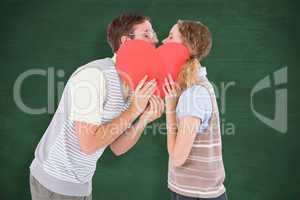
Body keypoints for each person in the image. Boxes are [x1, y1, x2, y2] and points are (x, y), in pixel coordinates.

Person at [29, 13, 164, 200]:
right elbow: (89, 144)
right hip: (54, 182)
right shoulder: (93, 76)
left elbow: (117, 147)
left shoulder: (135, 86)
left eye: (154, 34)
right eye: (147, 34)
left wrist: (143, 118)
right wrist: (133, 109)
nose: (156, 40)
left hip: (82, 185)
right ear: (126, 42)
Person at [163, 20, 227, 200]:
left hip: (196, 196)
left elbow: (177, 159)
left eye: (171, 37)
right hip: (190, 192)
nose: (163, 41)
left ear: (185, 48)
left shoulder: (194, 94)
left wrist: (170, 108)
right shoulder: (190, 88)